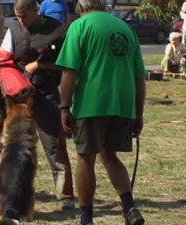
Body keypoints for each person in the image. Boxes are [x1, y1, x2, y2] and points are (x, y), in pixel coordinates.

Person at [56, 0, 146, 224]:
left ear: (81, 5)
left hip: (92, 102)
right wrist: (138, 112)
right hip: (123, 104)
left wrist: (64, 106)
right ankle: (130, 208)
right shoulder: (125, 29)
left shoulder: (80, 26)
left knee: (85, 158)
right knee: (109, 156)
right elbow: (139, 77)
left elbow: (69, 72)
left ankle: (86, 217)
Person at [0, 0, 76, 210]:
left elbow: (68, 62)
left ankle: (65, 196)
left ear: (35, 10)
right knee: (7, 146)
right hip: (17, 98)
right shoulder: (13, 31)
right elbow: (2, 62)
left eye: (25, 16)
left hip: (46, 94)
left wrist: (39, 64)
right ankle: (0, 189)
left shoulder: (56, 30)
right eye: (18, 17)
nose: (21, 21)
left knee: (54, 145)